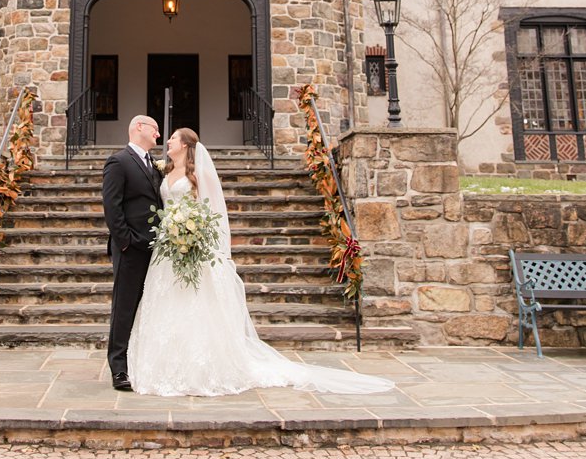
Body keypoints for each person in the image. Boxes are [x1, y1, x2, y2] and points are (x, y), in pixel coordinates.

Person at [127, 127, 395, 397]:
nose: (167, 140)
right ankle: (167, 363)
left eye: (172, 137)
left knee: (193, 302)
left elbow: (211, 210)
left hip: (191, 243)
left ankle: (201, 367)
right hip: (167, 247)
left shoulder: (198, 174)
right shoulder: (164, 170)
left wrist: (194, 233)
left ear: (185, 145)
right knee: (167, 302)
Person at [100, 114, 164, 392]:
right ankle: (118, 368)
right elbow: (112, 206)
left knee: (150, 307)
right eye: (155, 129)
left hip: (157, 249)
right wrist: (125, 242)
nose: (158, 135)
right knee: (124, 307)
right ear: (139, 127)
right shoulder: (119, 161)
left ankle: (142, 362)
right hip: (130, 249)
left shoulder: (156, 165)